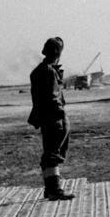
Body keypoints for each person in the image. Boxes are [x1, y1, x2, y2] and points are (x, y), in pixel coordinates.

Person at [28, 37, 75, 201]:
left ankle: (50, 188)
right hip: (54, 117)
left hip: (45, 117)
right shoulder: (49, 71)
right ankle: (54, 189)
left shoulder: (37, 71)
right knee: (53, 154)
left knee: (49, 152)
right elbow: (54, 97)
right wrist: (61, 115)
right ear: (57, 54)